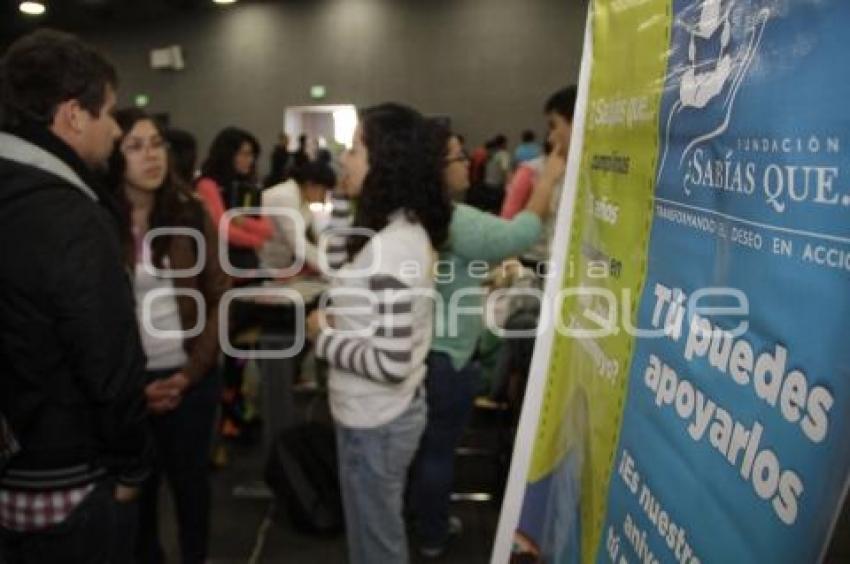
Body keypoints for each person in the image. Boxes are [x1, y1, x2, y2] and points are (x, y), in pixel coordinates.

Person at [0, 29, 153, 563]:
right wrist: (133, 465)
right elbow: (107, 361)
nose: (115, 130)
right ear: (72, 115)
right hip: (70, 473)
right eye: (109, 113)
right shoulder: (68, 216)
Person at [410, 129, 567, 558]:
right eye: (458, 158)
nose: (467, 164)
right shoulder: (453, 218)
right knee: (439, 452)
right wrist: (549, 179)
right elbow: (516, 235)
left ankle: (426, 520)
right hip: (447, 357)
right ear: (437, 171)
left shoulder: (418, 216)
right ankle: (432, 534)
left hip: (426, 353)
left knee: (426, 450)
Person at [306, 103, 452, 564]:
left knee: (378, 547)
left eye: (354, 149)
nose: (344, 160)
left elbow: (388, 363)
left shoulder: (396, 246)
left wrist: (321, 337)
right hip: (376, 416)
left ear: (383, 159)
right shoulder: (395, 230)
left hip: (376, 422)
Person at [107, 108, 230, 564]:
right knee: (137, 494)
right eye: (135, 146)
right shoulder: (99, 221)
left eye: (156, 143)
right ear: (115, 156)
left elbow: (220, 296)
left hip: (190, 378)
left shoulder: (191, 215)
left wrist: (191, 372)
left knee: (191, 488)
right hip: (128, 383)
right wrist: (134, 381)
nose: (150, 156)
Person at [501, 86, 577, 265]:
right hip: (537, 261)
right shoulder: (538, 170)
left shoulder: (535, 166)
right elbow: (512, 224)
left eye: (553, 126)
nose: (550, 138)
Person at [196, 126, 273, 273]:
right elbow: (222, 229)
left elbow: (267, 229)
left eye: (252, 156)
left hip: (248, 266)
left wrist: (242, 221)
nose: (249, 161)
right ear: (228, 155)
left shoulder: (247, 187)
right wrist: (256, 240)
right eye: (244, 154)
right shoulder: (208, 185)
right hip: (224, 269)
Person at [260, 160, 337, 274]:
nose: (324, 198)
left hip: (279, 265)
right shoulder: (284, 197)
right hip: (262, 264)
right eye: (324, 191)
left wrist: (333, 253)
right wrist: (329, 269)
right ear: (311, 184)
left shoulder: (305, 200)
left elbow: (316, 236)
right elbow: (298, 243)